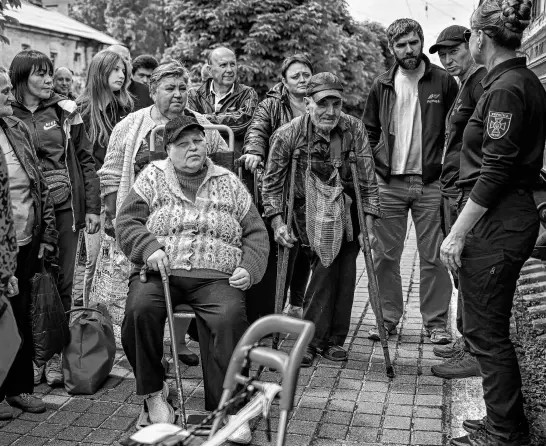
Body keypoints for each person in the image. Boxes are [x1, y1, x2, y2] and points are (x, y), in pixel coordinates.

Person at [116, 115, 268, 443]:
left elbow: (256, 231)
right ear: (168, 150)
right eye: (183, 144)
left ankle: (226, 408)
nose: (192, 148)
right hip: (160, 272)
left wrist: (250, 267)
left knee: (228, 318)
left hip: (215, 276)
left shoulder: (228, 180)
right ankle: (155, 393)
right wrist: (147, 247)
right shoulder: (151, 177)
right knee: (138, 310)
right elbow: (126, 222)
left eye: (197, 141)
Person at [441, 1, 544, 445]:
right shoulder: (518, 80)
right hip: (505, 215)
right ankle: (499, 421)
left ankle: (505, 431)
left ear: (480, 37)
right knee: (489, 325)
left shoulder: (504, 88)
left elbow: (496, 170)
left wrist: (457, 232)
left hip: (497, 220)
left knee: (485, 331)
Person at [96, 61, 229, 366]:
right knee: (139, 295)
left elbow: (224, 167)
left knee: (183, 286)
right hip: (140, 224)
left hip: (187, 229)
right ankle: (144, 356)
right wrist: (113, 216)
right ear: (153, 91)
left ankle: (177, 344)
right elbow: (112, 173)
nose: (178, 94)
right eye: (170, 88)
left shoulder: (204, 126)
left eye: (183, 88)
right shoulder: (130, 125)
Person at [262, 72, 382, 366]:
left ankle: (333, 341)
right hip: (304, 210)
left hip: (347, 208)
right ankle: (312, 341)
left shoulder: (353, 129)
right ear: (307, 103)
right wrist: (278, 223)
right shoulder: (288, 134)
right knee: (327, 266)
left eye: (336, 104)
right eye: (323, 104)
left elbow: (367, 182)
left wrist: (369, 228)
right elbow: (271, 185)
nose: (330, 112)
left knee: (344, 271)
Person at [362, 18, 458, 345]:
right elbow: (369, 131)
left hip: (431, 183)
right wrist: (375, 166)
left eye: (413, 43)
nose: (409, 50)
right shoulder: (382, 85)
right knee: (384, 255)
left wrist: (448, 168)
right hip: (389, 184)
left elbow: (456, 130)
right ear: (392, 49)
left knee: (433, 256)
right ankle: (386, 319)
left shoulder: (444, 82)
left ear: (421, 41)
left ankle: (436, 324)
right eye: (401, 45)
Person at [10, 50, 100, 387]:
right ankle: (34, 355)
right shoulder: (8, 113)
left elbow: (85, 160)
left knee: (62, 283)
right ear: (21, 79)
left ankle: (55, 356)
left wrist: (91, 208)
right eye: (41, 74)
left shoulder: (66, 110)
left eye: (50, 74)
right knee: (32, 282)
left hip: (64, 208)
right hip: (25, 211)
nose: (49, 80)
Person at [428, 25, 487, 380]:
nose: (448, 60)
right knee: (459, 271)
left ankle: (476, 352)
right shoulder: (466, 82)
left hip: (466, 191)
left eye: (454, 51)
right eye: (443, 55)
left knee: (469, 271)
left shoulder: (481, 82)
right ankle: (468, 343)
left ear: (473, 43)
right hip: (453, 188)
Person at [0, 65, 58, 419]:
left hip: (24, 241)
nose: (10, 97)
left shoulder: (16, 128)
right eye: (4, 92)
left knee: (20, 316)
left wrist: (47, 233)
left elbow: (39, 183)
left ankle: (19, 390)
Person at [242, 54, 314, 322]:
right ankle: (274, 308)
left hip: (312, 183)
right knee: (286, 244)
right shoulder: (271, 104)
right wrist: (253, 151)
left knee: (308, 246)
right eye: (295, 76)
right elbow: (257, 130)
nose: (302, 80)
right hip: (281, 185)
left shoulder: (318, 102)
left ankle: (297, 303)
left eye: (306, 74)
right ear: (284, 80)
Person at [77, 50, 133, 306]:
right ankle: (90, 322)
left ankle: (113, 325)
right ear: (101, 72)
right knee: (94, 261)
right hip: (93, 198)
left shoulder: (125, 109)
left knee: (119, 264)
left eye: (123, 70)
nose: (122, 75)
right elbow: (82, 162)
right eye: (115, 70)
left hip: (121, 194)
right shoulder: (82, 111)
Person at [187, 47, 258, 158]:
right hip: (202, 159)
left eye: (233, 64)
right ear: (210, 70)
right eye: (223, 65)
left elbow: (243, 122)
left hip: (234, 160)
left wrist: (203, 119)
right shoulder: (194, 95)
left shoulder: (247, 93)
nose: (229, 70)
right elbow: (190, 124)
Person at [107, 44, 154, 111]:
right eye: (112, 60)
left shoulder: (148, 93)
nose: (119, 63)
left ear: (130, 63)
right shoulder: (98, 94)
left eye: (124, 59)